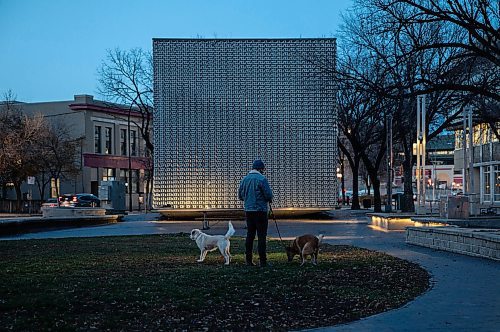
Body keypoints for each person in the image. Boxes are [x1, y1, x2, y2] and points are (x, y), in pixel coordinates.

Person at [238, 159, 274, 267]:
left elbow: (240, 196)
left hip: (249, 211)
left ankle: (248, 260)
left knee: (250, 235)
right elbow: (268, 195)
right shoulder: (262, 179)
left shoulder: (244, 179)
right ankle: (263, 261)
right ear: (261, 169)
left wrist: (248, 199)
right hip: (260, 211)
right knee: (262, 236)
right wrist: (268, 199)